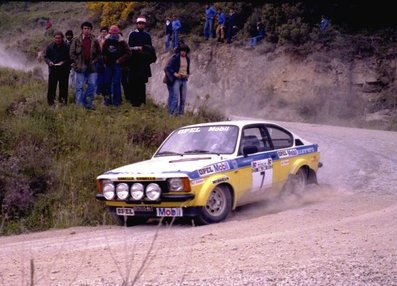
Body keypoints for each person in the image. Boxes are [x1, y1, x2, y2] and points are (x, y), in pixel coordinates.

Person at [69, 21, 101, 110]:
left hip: (92, 67)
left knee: (92, 85)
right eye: (85, 28)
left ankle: (88, 104)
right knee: (79, 87)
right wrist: (77, 62)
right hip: (80, 67)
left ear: (91, 30)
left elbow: (99, 53)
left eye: (88, 29)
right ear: (82, 29)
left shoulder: (94, 40)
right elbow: (71, 53)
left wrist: (95, 60)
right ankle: (79, 106)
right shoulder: (76, 40)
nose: (86, 30)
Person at [127, 15, 157, 107]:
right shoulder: (132, 34)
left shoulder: (147, 36)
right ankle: (134, 102)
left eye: (143, 24)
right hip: (134, 62)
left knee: (142, 83)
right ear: (137, 24)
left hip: (143, 62)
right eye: (139, 23)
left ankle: (142, 102)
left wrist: (143, 50)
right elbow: (129, 48)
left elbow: (150, 49)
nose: (141, 25)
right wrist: (136, 49)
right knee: (133, 82)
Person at [102, 25, 131, 107]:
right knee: (106, 82)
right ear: (109, 33)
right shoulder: (107, 40)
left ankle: (117, 102)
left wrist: (120, 60)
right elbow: (103, 52)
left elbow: (128, 53)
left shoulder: (122, 41)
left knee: (116, 83)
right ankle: (107, 101)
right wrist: (104, 60)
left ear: (118, 33)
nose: (113, 35)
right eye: (112, 33)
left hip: (117, 65)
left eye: (115, 34)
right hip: (108, 65)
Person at [44, 31, 71, 106]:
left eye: (59, 38)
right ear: (54, 38)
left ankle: (63, 104)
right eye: (56, 38)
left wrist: (64, 62)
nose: (57, 40)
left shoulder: (67, 46)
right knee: (51, 88)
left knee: (63, 88)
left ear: (62, 38)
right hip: (53, 70)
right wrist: (49, 62)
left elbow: (70, 58)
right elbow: (46, 57)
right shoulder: (50, 46)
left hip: (64, 71)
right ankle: (51, 104)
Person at [165, 43, 190, 116]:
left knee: (183, 98)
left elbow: (187, 69)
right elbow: (168, 67)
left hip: (184, 79)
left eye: (185, 51)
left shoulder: (187, 59)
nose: (183, 52)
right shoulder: (175, 58)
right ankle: (172, 113)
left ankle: (181, 113)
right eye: (182, 51)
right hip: (177, 79)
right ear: (179, 51)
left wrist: (188, 74)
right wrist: (174, 73)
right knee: (175, 97)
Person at [96, 27, 108, 98]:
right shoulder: (97, 40)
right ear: (100, 32)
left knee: (106, 77)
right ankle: (98, 92)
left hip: (106, 60)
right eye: (102, 31)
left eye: (105, 32)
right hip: (99, 60)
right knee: (99, 77)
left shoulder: (109, 40)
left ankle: (105, 93)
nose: (104, 33)